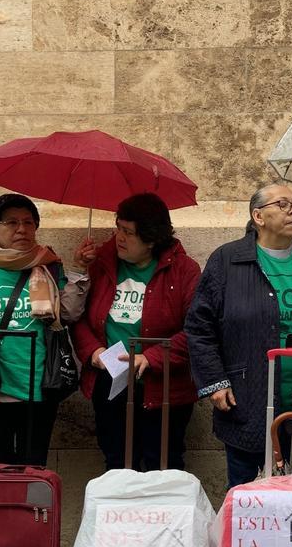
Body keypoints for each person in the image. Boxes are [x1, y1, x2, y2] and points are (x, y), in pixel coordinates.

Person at [186, 183, 292, 487]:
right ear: (258, 216)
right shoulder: (227, 260)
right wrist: (214, 381)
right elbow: (200, 326)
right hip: (247, 393)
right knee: (247, 492)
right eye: (282, 204)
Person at [0, 194, 96, 466]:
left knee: (33, 469)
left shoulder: (48, 265)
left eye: (28, 222)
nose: (22, 229)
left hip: (39, 384)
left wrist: (80, 268)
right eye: (11, 222)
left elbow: (67, 314)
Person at [73, 193, 202, 472]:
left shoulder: (183, 270)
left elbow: (197, 330)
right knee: (117, 464)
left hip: (164, 387)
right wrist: (93, 352)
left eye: (129, 233)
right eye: (118, 227)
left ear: (152, 239)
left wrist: (151, 358)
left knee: (164, 466)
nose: (119, 237)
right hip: (111, 380)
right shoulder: (102, 263)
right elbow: (78, 317)